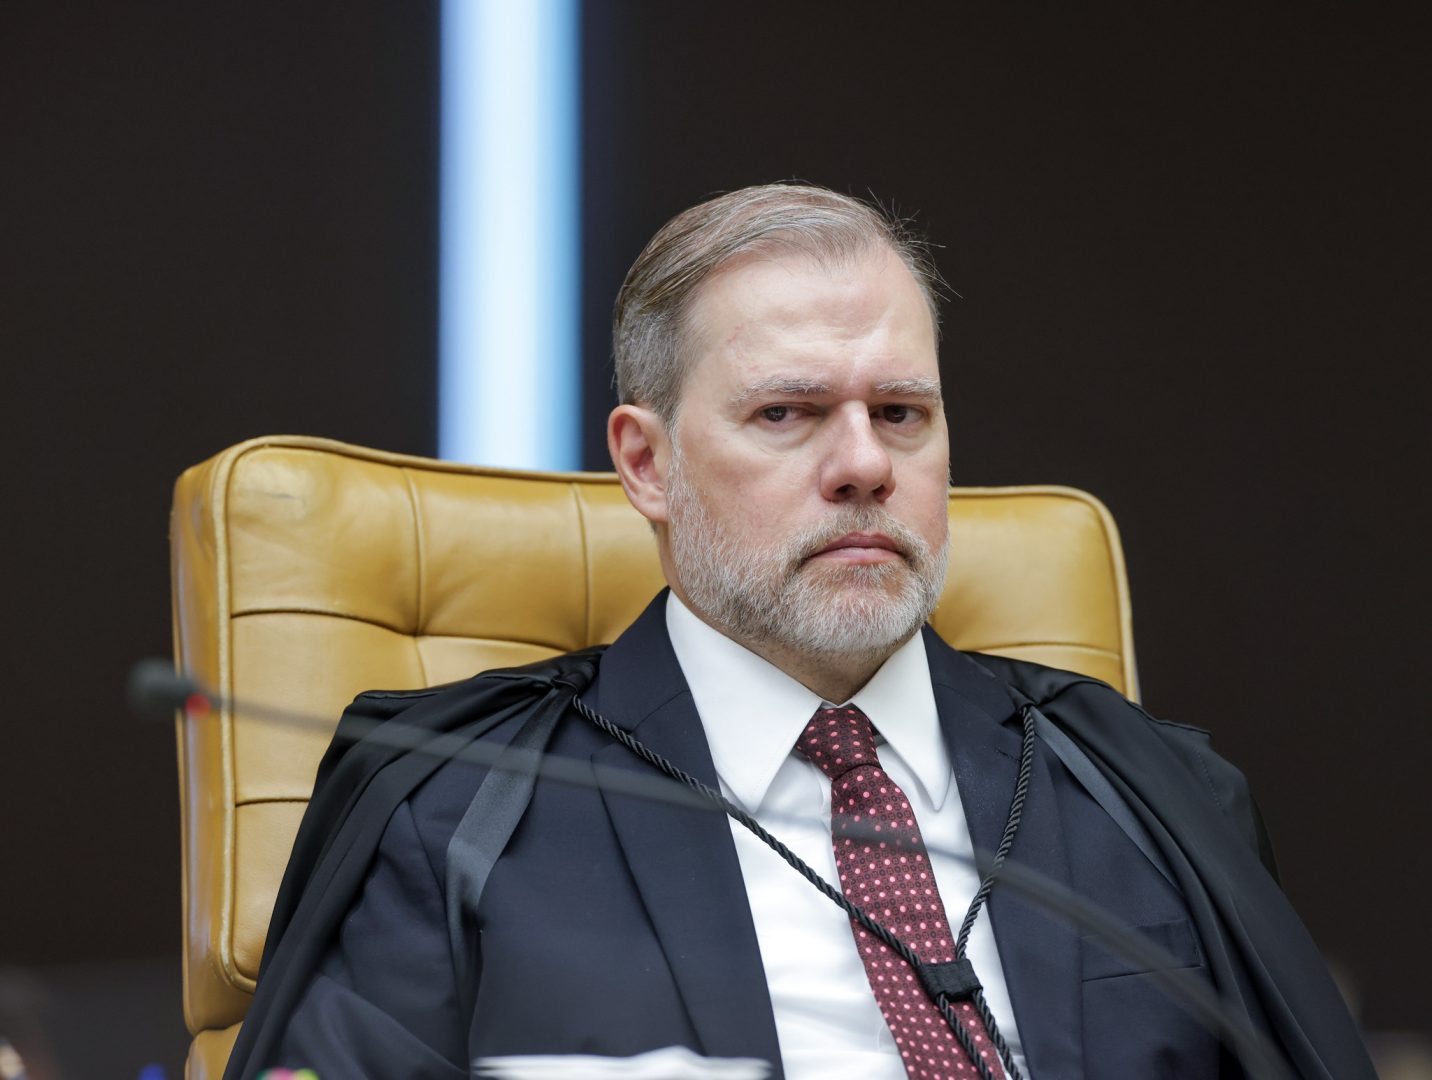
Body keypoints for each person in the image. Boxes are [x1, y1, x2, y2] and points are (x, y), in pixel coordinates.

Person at [225, 184, 1375, 1079]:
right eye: (787, 412)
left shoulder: (1149, 794)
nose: (865, 464)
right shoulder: (452, 807)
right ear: (646, 463)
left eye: (901, 413)